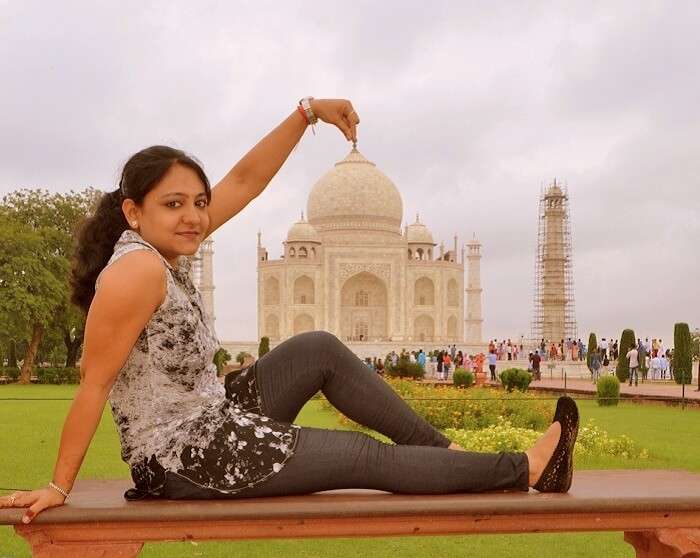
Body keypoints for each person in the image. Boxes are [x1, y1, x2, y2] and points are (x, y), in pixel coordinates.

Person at [0, 98, 579, 524]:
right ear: (133, 211)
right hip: (186, 457)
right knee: (360, 457)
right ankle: (524, 469)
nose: (193, 216)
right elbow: (92, 384)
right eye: (173, 204)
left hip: (210, 417)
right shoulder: (137, 271)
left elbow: (247, 180)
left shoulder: (162, 249)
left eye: (198, 203)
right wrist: (58, 484)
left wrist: (306, 113)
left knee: (319, 349)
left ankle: (445, 455)